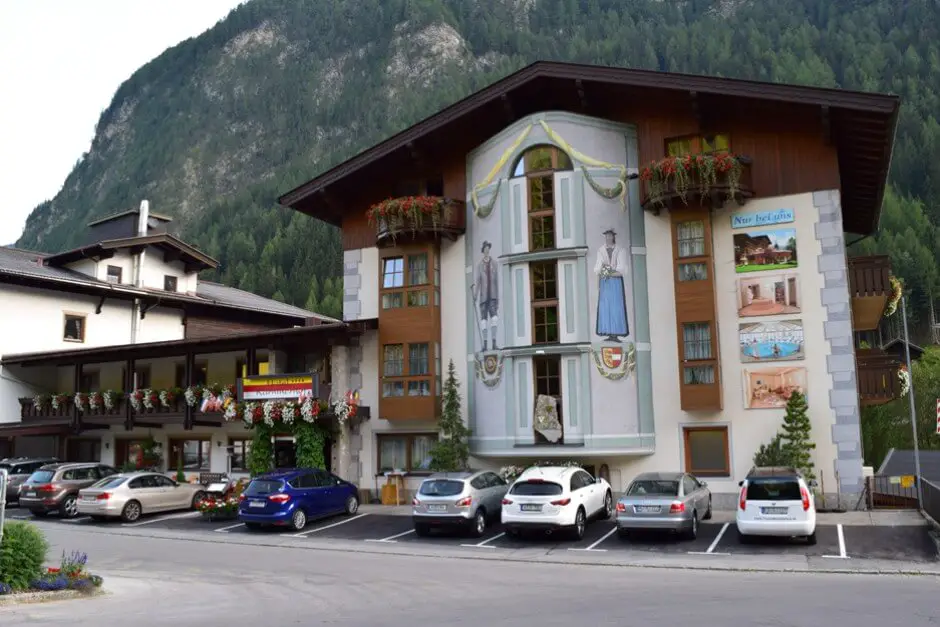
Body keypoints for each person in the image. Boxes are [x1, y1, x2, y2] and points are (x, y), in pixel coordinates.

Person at [594, 228, 629, 342]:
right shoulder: (601, 250)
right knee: (605, 306)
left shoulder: (620, 250)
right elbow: (598, 267)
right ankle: (608, 332)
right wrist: (603, 270)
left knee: (616, 306)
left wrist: (610, 271)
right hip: (605, 281)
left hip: (616, 283)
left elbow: (621, 268)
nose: (608, 238)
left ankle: (616, 333)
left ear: (614, 237)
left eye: (610, 236)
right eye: (607, 236)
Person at [473, 240, 499, 351]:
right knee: (483, 321)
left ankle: (493, 343)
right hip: (483, 297)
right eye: (485, 249)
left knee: (494, 319)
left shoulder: (494, 263)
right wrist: (475, 294)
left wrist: (497, 298)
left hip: (492, 296)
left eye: (488, 248)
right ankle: (484, 344)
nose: (487, 250)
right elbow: (478, 281)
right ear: (483, 251)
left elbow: (496, 281)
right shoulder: (479, 265)